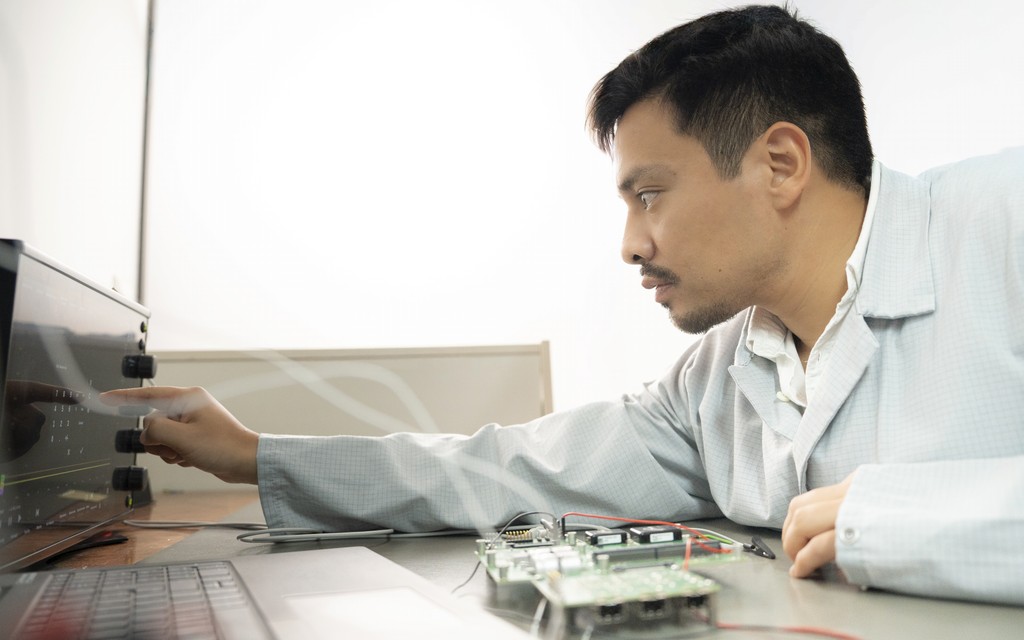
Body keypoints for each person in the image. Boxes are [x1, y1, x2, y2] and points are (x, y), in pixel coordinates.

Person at [102, 5, 1024, 606]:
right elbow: (504, 472)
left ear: (779, 165)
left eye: (649, 193)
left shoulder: (1002, 221)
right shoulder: (718, 375)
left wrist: (894, 518)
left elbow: (884, 522)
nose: (630, 243)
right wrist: (253, 456)